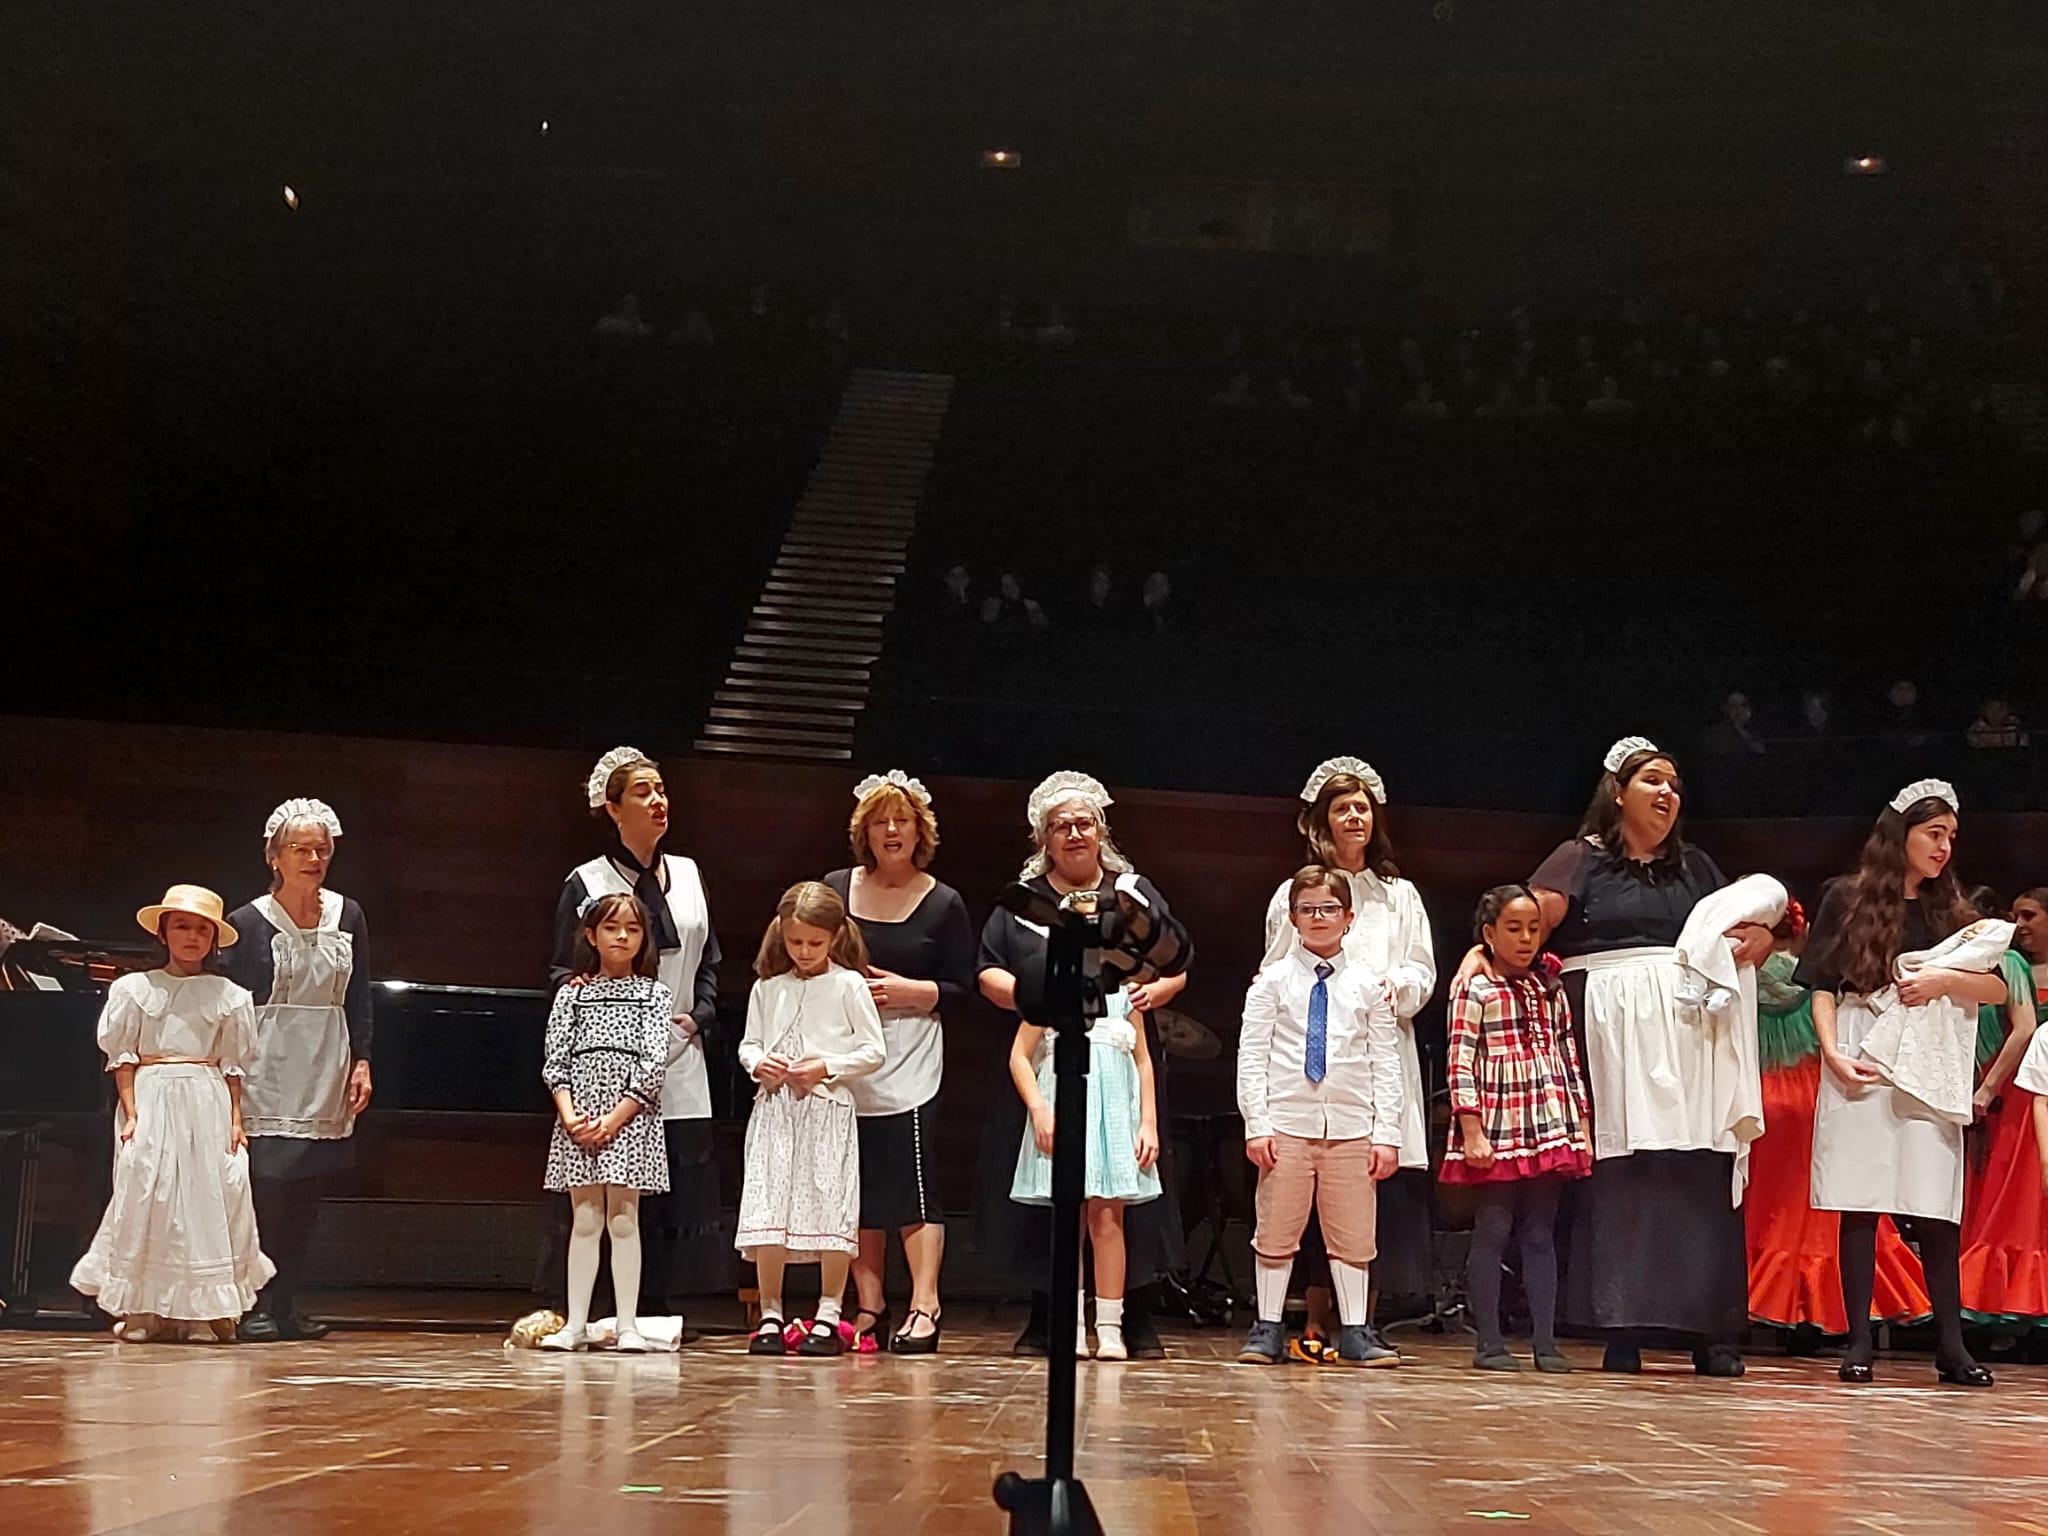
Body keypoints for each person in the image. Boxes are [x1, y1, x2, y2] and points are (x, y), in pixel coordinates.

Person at [1515, 737, 1778, 1376]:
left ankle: (1709, 1331)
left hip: (1693, 1032)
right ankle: (1621, 1327)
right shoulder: (1580, 860)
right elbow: (1522, 921)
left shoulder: (1696, 868)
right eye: (1653, 781)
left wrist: (1762, 938)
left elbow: (1752, 927)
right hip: (1612, 1030)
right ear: (1618, 792)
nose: (1668, 793)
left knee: (1697, 1164)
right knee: (1623, 1170)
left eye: (1674, 784)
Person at [1801, 779, 2006, 1386]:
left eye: (1950, 837)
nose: (1943, 848)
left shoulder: (1956, 912)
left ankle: (1951, 1344)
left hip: (1931, 1055)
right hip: (1865, 1045)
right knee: (1862, 1202)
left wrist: (1944, 984)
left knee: (1935, 1204)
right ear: (1903, 836)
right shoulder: (1846, 898)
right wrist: (1833, 1052)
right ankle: (1859, 1340)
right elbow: (1820, 984)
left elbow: (1997, 988)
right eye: (1932, 834)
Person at [977, 771, 1190, 1359]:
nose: (1073, 834)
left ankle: (1126, 1319)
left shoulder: (1134, 894)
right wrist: (1031, 992)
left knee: (1118, 1204)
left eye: (1083, 824)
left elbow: (1173, 965)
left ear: (1101, 830)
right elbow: (989, 968)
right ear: (1042, 838)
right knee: (1058, 1206)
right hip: (1048, 1059)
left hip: (1118, 1069)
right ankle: (1053, 1318)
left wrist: (1158, 990)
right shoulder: (1021, 901)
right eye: (1060, 826)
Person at [1262, 757, 1435, 1363]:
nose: (1354, 817)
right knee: (1301, 1196)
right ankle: (1308, 1319)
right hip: (1307, 1066)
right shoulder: (1299, 892)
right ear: (1323, 820)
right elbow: (1275, 967)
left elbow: (1420, 967)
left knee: (1366, 1192)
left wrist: (1396, 988)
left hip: (1375, 1052)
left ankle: (1362, 1321)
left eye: (1362, 807)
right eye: (1343, 808)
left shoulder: (1397, 893)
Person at [551, 748, 722, 1315]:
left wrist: (698, 1015)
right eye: (643, 792)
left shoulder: (692, 873)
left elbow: (711, 962)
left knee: (673, 1184)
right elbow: (563, 970)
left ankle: (660, 1307)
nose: (658, 800)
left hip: (680, 1047)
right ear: (613, 808)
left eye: (662, 789)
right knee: (608, 1191)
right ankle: (603, 1310)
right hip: (608, 1060)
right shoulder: (588, 880)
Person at [70, 886, 272, 1343]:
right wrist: (132, 1113)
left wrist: (237, 1119)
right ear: (164, 933)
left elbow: (232, 1065)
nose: (192, 936)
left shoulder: (230, 995)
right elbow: (123, 1058)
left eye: (202, 929)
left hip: (205, 1099)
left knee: (206, 1200)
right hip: (154, 1097)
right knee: (148, 1196)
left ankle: (202, 1313)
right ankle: (143, 1309)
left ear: (213, 940)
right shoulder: (134, 989)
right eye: (182, 926)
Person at [822, 770, 974, 1352]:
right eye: (881, 821)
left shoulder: (943, 903)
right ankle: (869, 1307)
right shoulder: (835, 889)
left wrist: (916, 992)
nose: (891, 830)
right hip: (844, 1056)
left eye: (902, 821)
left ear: (919, 831)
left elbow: (964, 986)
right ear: (865, 830)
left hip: (910, 1058)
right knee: (855, 1188)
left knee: (912, 1184)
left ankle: (925, 1305)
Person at [1236, 866, 1403, 1367]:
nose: (1318, 917)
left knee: (1352, 1233)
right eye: (1307, 909)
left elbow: (1385, 1061)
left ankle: (1355, 1330)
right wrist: (1257, 1124)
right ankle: (1266, 1327)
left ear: (1349, 917)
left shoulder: (1368, 986)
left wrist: (1387, 1133)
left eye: (1329, 909)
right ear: (1293, 917)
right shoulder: (1272, 982)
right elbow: (1252, 1056)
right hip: (1287, 1122)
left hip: (1352, 1126)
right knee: (1277, 1228)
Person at [1743, 905, 1930, 1345]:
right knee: (1821, 1206)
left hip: (1760, 1097)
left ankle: (1759, 1302)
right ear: (1802, 930)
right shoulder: (1814, 981)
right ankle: (1826, 1308)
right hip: (1812, 1091)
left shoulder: (1742, 977)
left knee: (1764, 1207)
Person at [222, 799, 372, 1344]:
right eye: (300, 849)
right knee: (267, 1193)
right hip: (267, 1069)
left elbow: (360, 996)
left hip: (324, 1067)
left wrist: (362, 1060)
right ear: (274, 856)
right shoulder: (246, 922)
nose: (313, 858)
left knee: (307, 1195)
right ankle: (254, 1302)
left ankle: (288, 1303)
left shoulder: (348, 914)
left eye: (321, 849)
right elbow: (232, 1006)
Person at [1440, 886, 1592, 1372]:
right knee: (1495, 1223)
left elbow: (1568, 1058)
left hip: (1547, 1116)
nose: (1525, 939)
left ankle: (1544, 1342)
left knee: (1541, 1230)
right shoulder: (1475, 987)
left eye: (1533, 929)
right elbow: (1459, 1059)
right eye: (1513, 928)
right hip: (1498, 1119)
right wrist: (1471, 1129)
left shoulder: (1550, 987)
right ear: (1489, 934)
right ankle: (1489, 1342)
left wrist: (1581, 1122)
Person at [736, 881, 885, 1358]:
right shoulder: (768, 988)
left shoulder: (849, 984)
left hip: (826, 1111)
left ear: (835, 936)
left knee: (829, 1204)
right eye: (795, 941)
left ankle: (828, 1310)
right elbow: (750, 1042)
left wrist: (827, 1065)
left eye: (814, 943)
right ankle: (772, 1312)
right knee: (769, 1206)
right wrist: (758, 1063)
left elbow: (873, 1050)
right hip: (776, 1110)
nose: (803, 951)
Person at [538, 895, 672, 1353]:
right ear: (591, 936)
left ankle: (628, 1324)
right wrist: (571, 1115)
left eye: (632, 930)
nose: (622, 937)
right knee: (586, 1218)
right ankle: (575, 1323)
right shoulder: (572, 994)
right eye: (612, 928)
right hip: (579, 1114)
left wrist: (616, 1118)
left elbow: (654, 1063)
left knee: (623, 1218)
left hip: (629, 1117)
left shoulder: (655, 994)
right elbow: (555, 1061)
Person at [1958, 887, 2045, 1328]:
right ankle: (2003, 1309)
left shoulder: (2010, 969)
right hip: (2007, 1091)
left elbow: (2026, 1030)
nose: (2021, 924)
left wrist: (1987, 1089)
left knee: (2027, 1195)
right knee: (2003, 1195)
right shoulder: (2004, 968)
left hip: (2028, 1088)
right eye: (2016, 915)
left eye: (2030, 915)